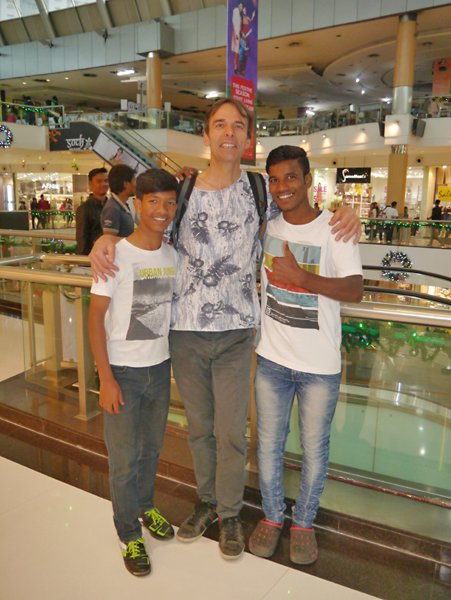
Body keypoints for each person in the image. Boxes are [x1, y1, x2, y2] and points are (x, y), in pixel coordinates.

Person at [89, 98, 361, 562]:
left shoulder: (259, 190)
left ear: (248, 137)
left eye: (238, 125)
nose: (229, 133)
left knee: (232, 431)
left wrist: (346, 214)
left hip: (236, 334)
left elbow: (300, 216)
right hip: (185, 333)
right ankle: (208, 502)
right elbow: (150, 232)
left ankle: (231, 512)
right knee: (200, 430)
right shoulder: (183, 191)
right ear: (207, 135)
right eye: (220, 125)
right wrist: (107, 237)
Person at [248, 145, 363, 565]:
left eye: (291, 177)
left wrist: (302, 277)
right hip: (272, 360)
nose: (283, 187)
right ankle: (272, 516)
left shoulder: (334, 229)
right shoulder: (266, 226)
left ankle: (303, 523)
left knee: (314, 450)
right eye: (275, 179)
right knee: (268, 446)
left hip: (319, 367)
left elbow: (354, 289)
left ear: (308, 180)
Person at [88, 169, 179, 577]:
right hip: (122, 372)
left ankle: (145, 506)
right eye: (153, 202)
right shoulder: (115, 255)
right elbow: (96, 319)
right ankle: (128, 533)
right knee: (123, 460)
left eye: (170, 202)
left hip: (159, 369)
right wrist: (106, 378)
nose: (162, 210)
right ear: (137, 204)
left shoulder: (172, 255)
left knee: (151, 450)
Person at [76, 167, 109, 254]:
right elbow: (82, 239)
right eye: (99, 181)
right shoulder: (84, 209)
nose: (103, 184)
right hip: (95, 257)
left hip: (111, 255)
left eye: (106, 181)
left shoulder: (111, 206)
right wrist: (84, 260)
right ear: (90, 184)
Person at [101, 164, 136, 238]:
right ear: (126, 184)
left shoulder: (122, 205)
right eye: (134, 180)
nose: (136, 184)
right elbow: (109, 240)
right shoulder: (112, 208)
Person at [231, 1, 244, 74]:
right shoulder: (235, 11)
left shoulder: (238, 13)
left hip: (238, 34)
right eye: (240, 6)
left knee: (238, 52)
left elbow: (238, 25)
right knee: (236, 52)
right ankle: (235, 68)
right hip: (236, 35)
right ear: (238, 5)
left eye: (242, 6)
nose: (241, 7)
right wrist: (236, 34)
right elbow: (234, 23)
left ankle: (236, 68)